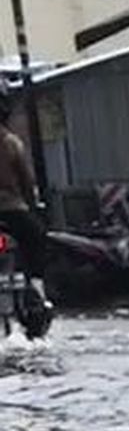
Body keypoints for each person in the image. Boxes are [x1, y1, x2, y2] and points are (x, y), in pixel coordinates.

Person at [0, 78, 51, 311]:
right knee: (37, 238)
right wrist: (35, 207)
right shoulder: (12, 143)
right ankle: (37, 289)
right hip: (13, 211)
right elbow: (26, 182)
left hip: (11, 210)